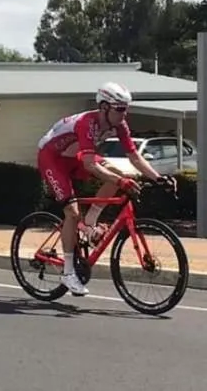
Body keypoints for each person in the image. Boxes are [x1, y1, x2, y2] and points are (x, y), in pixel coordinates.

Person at [36, 82, 173, 296]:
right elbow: (91, 165)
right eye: (119, 108)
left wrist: (158, 178)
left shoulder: (119, 125)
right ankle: (68, 272)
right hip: (52, 158)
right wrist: (121, 183)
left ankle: (89, 223)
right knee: (71, 212)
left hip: (76, 158)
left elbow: (135, 157)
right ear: (104, 107)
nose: (124, 114)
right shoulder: (86, 123)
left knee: (118, 176)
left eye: (126, 108)